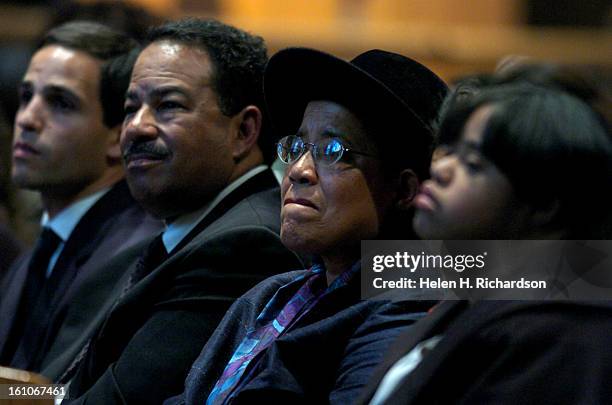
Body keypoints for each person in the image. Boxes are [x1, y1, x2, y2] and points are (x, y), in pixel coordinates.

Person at [166, 46, 449, 405]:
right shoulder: (267, 297)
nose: (298, 170)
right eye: (298, 146)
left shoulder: (405, 307)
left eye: (333, 150)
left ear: (405, 189)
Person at [61, 18, 302, 403]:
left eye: (168, 106)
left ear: (243, 131)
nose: (137, 128)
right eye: (130, 107)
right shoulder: (198, 228)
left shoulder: (242, 246)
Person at [359, 83, 612, 404]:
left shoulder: (561, 335)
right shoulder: (471, 299)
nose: (439, 169)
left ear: (544, 203)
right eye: (449, 150)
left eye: (473, 164)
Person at [0, 21, 161, 375]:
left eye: (60, 103)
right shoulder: (41, 251)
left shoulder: (132, 256)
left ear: (117, 137)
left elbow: (55, 394)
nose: (27, 119)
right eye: (27, 96)